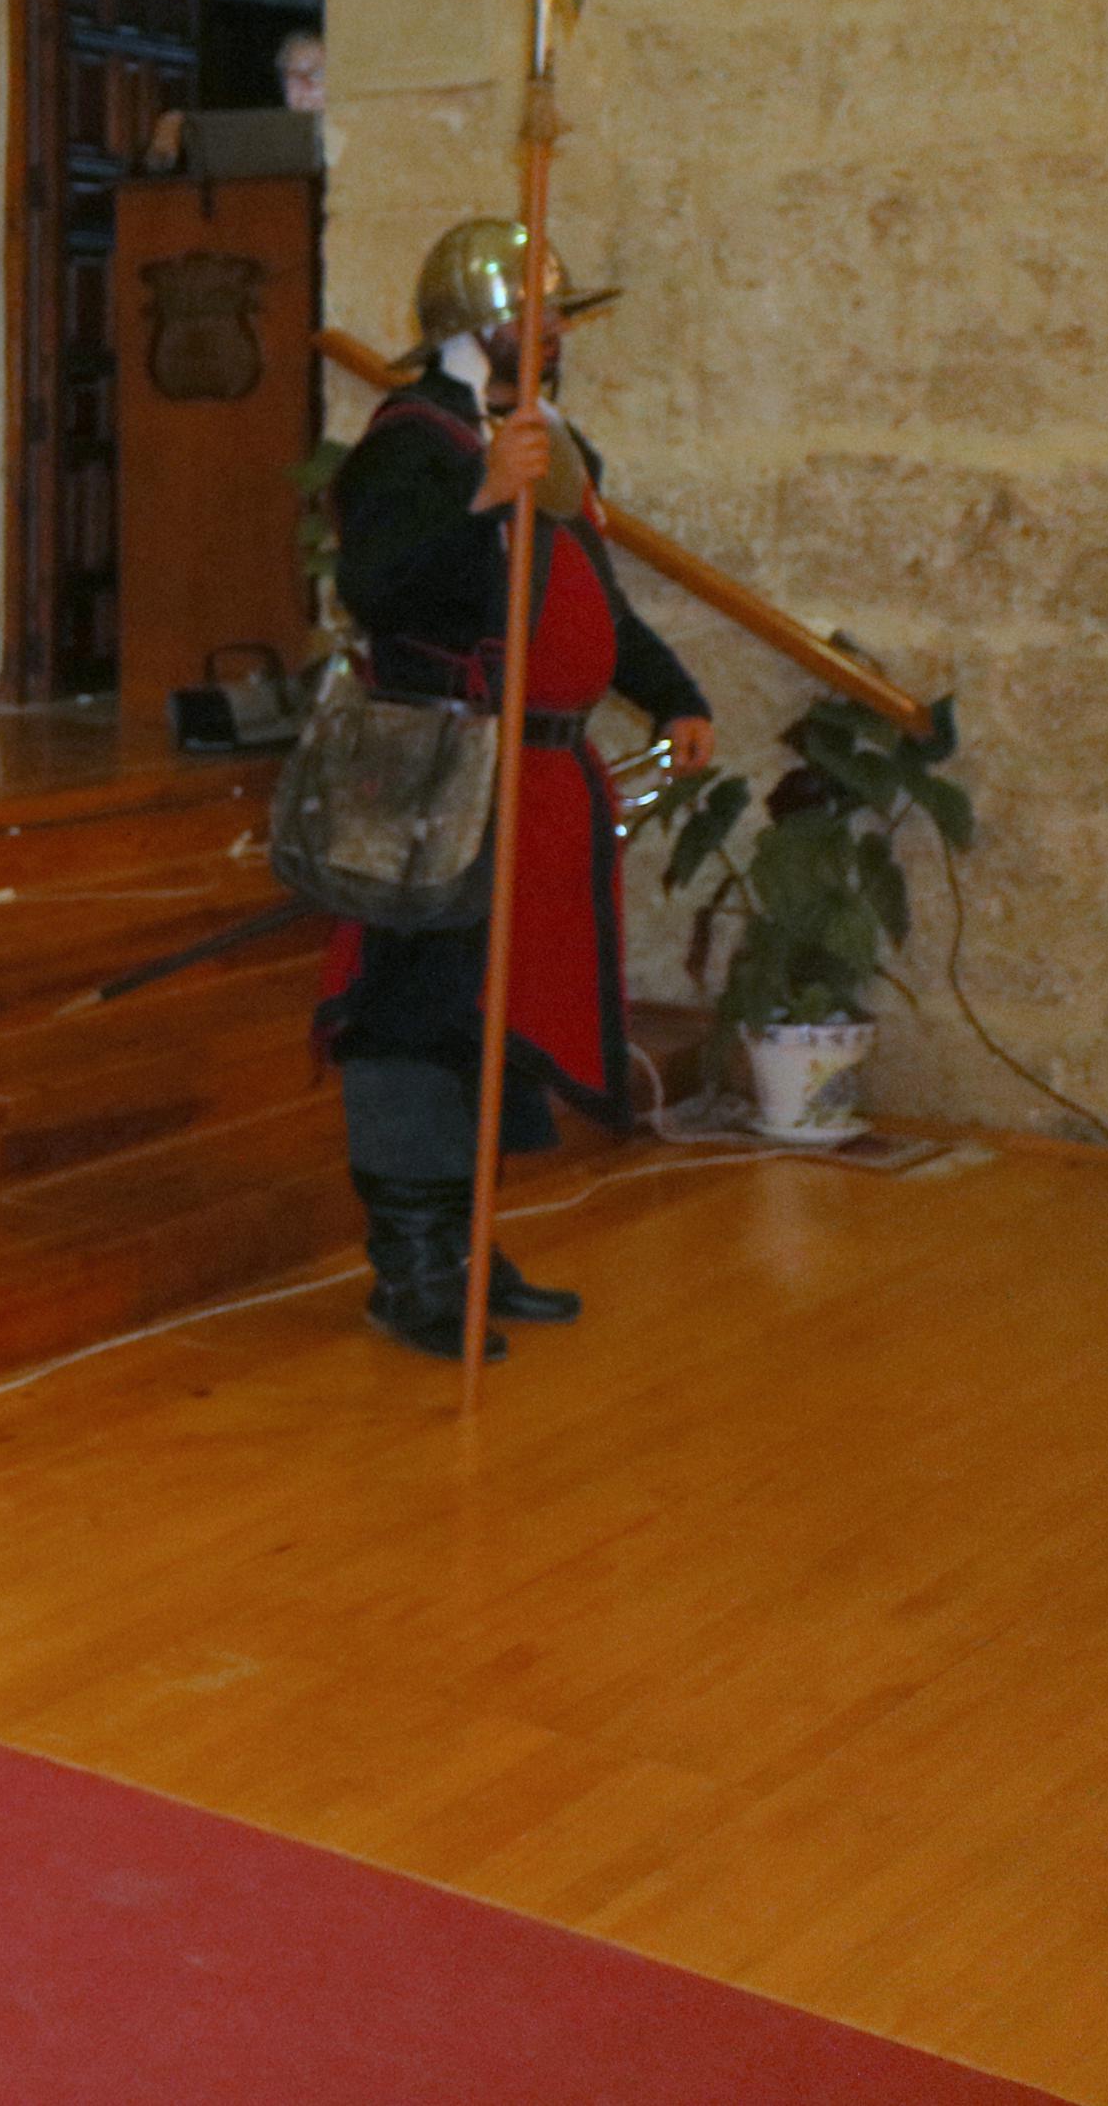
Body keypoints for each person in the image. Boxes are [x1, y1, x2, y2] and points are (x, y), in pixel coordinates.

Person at [316, 217, 711, 1361]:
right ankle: (413, 1273)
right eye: (530, 320)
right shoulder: (411, 444)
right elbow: (378, 587)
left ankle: (465, 1251)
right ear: (471, 326)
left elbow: (595, 596)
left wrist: (672, 692)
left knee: (489, 1025)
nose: (548, 339)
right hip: (440, 776)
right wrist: (479, 500)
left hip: (534, 780)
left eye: (557, 321)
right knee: (412, 1017)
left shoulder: (545, 438)